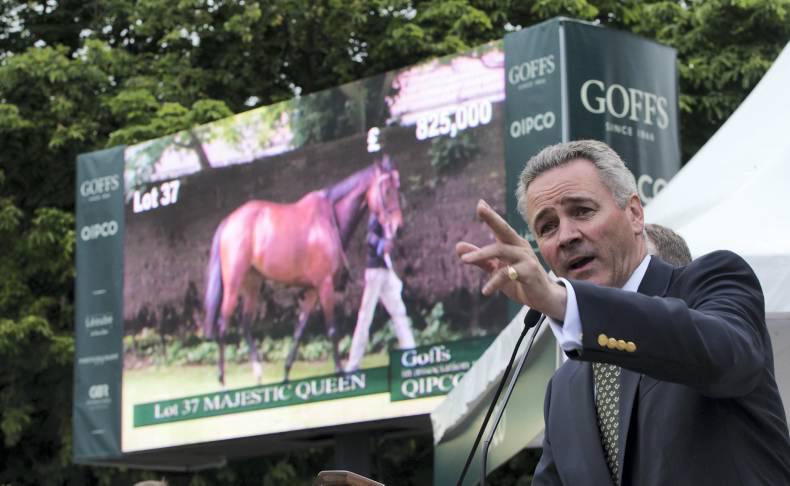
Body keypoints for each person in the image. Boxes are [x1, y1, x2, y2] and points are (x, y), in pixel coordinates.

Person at [457, 140, 790, 485]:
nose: (566, 236)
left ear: (634, 214)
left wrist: (564, 302)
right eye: (547, 227)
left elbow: (726, 356)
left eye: (582, 211)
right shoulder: (563, 390)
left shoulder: (712, 281)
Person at [345, 213, 415, 372]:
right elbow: (370, 237)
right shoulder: (377, 216)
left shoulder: (389, 218)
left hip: (385, 271)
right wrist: (381, 245)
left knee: (399, 313)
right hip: (375, 271)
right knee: (365, 317)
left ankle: (411, 357)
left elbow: (393, 239)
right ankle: (353, 365)